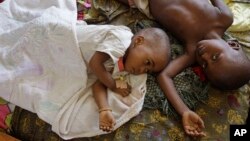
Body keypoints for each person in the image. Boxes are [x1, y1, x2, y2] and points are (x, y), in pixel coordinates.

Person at [117, 0, 250, 137]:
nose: (204, 56)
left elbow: (164, 76)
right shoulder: (224, 18)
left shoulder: (192, 52)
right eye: (215, 57)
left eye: (204, 65)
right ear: (233, 45)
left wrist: (184, 111)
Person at [81, 25, 171, 132]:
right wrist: (113, 85)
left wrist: (104, 109)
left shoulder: (123, 65)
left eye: (147, 70)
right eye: (147, 62)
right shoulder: (121, 40)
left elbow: (99, 84)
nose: (141, 70)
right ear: (138, 41)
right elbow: (95, 63)